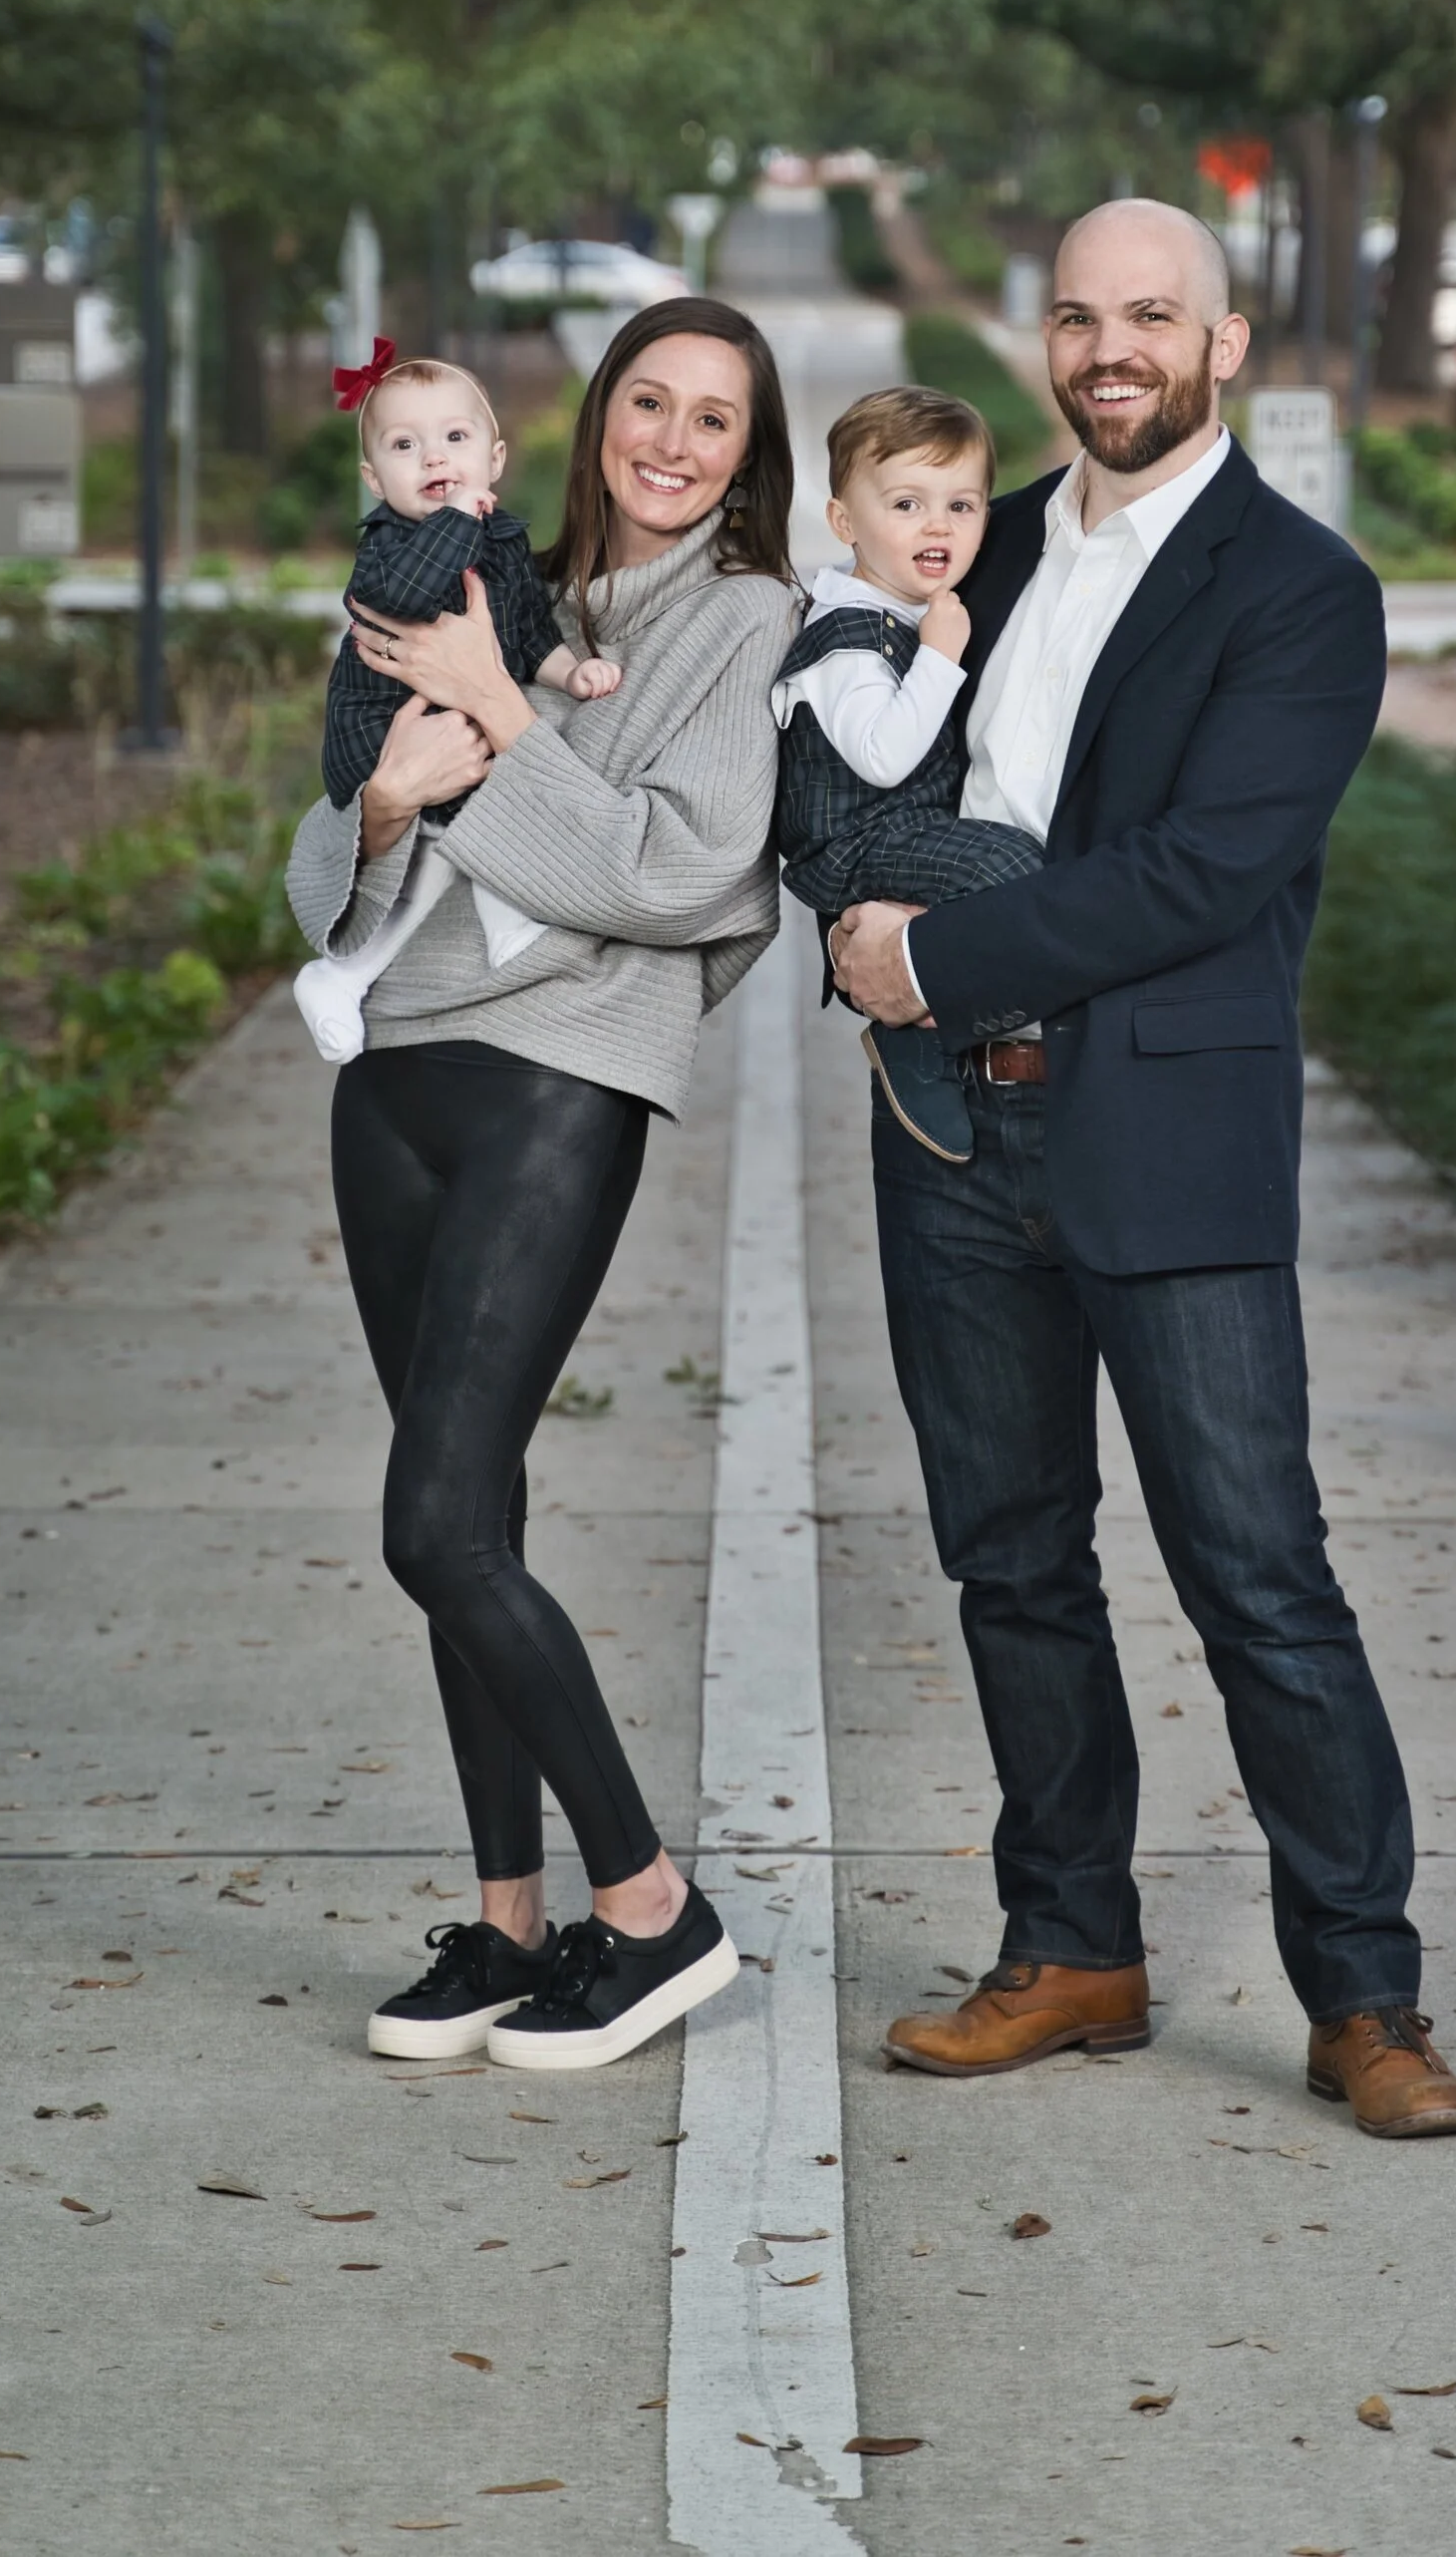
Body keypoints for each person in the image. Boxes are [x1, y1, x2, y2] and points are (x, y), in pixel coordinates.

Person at [828, 199, 1456, 2138]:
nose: (1109, 347)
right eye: (1078, 315)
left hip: (1159, 1133)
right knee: (1009, 1558)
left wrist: (928, 949)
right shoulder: (985, 536)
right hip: (943, 1128)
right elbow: (855, 756)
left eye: (1149, 316)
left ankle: (1362, 1994)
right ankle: (1070, 1944)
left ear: (1226, 339)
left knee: (1256, 1576)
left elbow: (1203, 871)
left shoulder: (1299, 589)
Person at [286, 297, 798, 2074]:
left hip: (563, 1074)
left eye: (712, 418)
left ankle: (653, 1906)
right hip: (397, 1079)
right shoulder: (468, 561)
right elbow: (324, 841)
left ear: (748, 454)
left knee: (427, 1518)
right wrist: (373, 811)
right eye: (644, 400)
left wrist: (492, 722)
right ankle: (507, 1922)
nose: (670, 437)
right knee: (469, 1525)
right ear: (584, 425)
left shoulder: (750, 621)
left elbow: (682, 869)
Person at [294, 348, 621, 1063]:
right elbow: (406, 597)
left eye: (455, 438)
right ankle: (350, 971)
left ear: (495, 457)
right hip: (384, 734)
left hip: (454, 738)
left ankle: (371, 969)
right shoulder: (391, 543)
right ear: (375, 480)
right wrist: (458, 520)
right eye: (406, 446)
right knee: (446, 840)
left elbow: (529, 632)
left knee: (469, 832)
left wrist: (572, 673)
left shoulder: (501, 542)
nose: (434, 457)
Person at [770, 381, 1041, 1161]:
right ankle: (917, 1033)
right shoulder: (848, 637)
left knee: (1015, 869)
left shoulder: (910, 609)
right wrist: (941, 655)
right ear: (844, 522)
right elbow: (882, 757)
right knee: (1013, 867)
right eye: (907, 504)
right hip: (855, 843)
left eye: (962, 505)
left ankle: (926, 1019)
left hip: (899, 832)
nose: (938, 524)